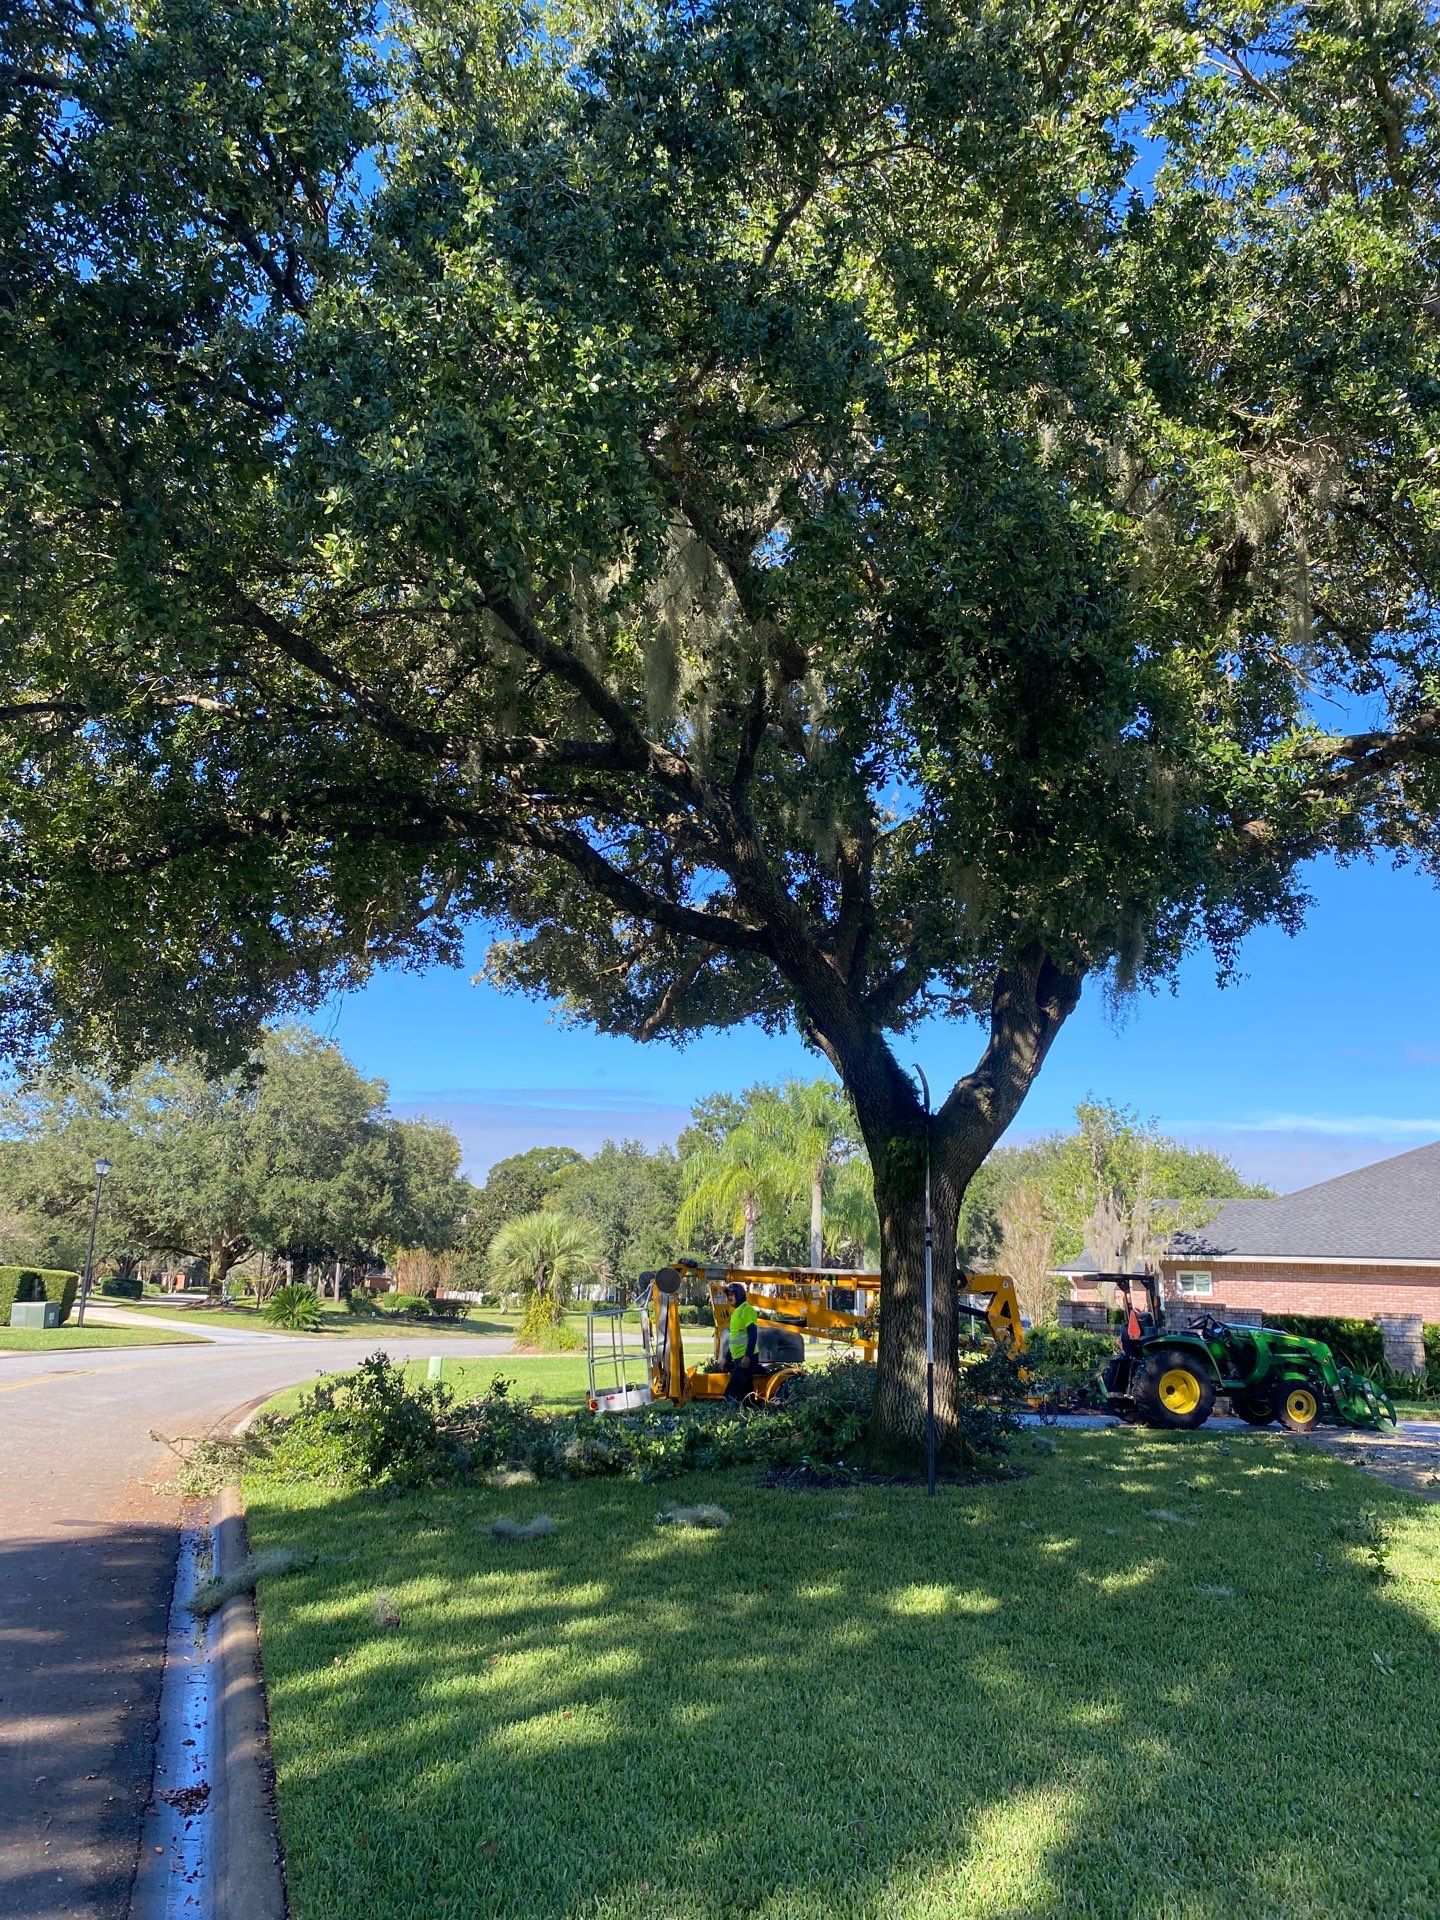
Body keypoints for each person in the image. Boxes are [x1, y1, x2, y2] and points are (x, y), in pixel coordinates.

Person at [722, 1281, 760, 1401]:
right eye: (728, 1295)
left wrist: (747, 1356)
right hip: (738, 1358)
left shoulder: (746, 1310)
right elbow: (734, 1339)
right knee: (745, 1389)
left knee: (733, 1389)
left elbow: (753, 1334)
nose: (729, 1297)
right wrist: (727, 1359)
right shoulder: (735, 1313)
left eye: (732, 1294)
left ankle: (734, 1409)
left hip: (747, 1357)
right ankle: (751, 1408)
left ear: (739, 1295)